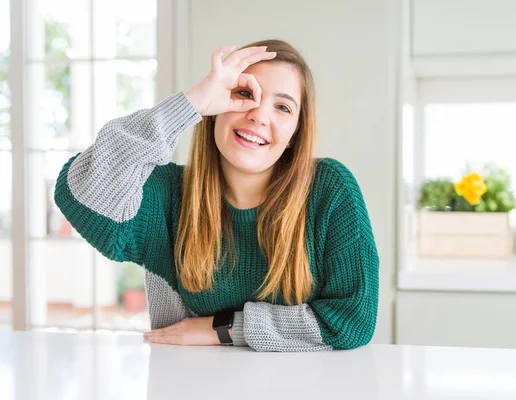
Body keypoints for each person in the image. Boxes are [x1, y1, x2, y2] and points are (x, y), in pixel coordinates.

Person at [54, 39, 379, 352]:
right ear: (217, 106)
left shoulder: (329, 189)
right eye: (245, 93)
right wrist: (191, 104)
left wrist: (223, 330)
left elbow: (352, 321)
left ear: (296, 133)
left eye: (282, 107)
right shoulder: (167, 194)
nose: (259, 116)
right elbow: (79, 191)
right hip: (190, 382)